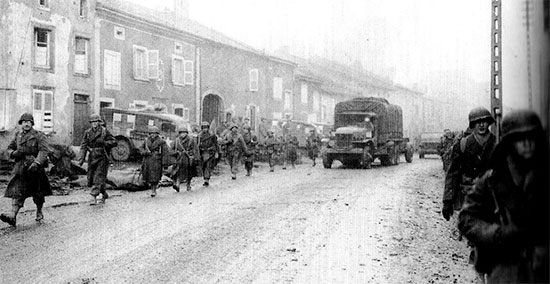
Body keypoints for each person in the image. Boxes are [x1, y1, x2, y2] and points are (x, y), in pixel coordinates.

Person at [458, 110, 549, 283]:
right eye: (520, 139)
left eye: (532, 138)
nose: (527, 144)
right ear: (509, 143)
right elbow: (466, 219)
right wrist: (497, 234)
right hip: (506, 269)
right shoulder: (493, 180)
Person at [442, 107, 497, 222]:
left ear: (489, 123)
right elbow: (453, 174)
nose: (481, 125)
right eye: (477, 122)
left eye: (484, 121)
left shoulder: (497, 144)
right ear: (473, 124)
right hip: (468, 198)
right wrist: (448, 201)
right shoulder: (463, 144)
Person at [1, 113, 52, 227]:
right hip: (21, 168)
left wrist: (37, 162)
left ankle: (39, 210)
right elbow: (9, 149)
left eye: (28, 122)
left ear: (32, 123)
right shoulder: (17, 136)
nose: (26, 124)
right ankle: (13, 215)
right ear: (21, 124)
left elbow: (44, 150)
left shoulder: (39, 135)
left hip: (35, 169)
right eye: (24, 122)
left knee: (38, 193)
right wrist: (14, 153)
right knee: (18, 191)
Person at [79, 114, 117, 205]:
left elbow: (114, 142)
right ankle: (104, 193)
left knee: (98, 177)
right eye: (92, 122)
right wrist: (81, 159)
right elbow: (83, 146)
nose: (94, 124)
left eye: (96, 122)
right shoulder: (87, 133)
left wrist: (104, 143)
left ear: (99, 122)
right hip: (92, 157)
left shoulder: (104, 131)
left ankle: (94, 196)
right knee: (92, 177)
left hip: (103, 157)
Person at [139, 126, 169, 197]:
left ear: (157, 134)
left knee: (155, 177)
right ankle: (152, 188)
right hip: (148, 160)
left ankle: (154, 190)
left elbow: (165, 152)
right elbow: (140, 148)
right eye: (151, 133)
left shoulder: (161, 141)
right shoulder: (146, 140)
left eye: (154, 133)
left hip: (157, 160)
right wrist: (144, 152)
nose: (153, 135)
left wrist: (165, 163)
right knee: (148, 176)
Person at [171, 125, 198, 192]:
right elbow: (171, 149)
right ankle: (177, 184)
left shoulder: (191, 140)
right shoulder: (177, 141)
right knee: (177, 171)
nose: (183, 134)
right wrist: (176, 152)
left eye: (184, 133)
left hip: (188, 159)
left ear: (186, 133)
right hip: (179, 158)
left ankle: (188, 185)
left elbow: (195, 149)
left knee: (189, 172)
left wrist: (194, 157)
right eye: (181, 133)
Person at [198, 121, 220, 187]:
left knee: (208, 165)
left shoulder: (212, 135)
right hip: (202, 152)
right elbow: (197, 145)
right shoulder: (199, 136)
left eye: (206, 128)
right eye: (203, 128)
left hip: (210, 152)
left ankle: (206, 179)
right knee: (203, 166)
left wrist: (216, 152)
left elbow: (216, 144)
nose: (205, 129)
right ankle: (205, 177)